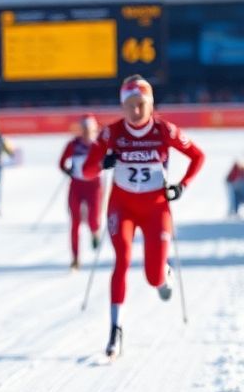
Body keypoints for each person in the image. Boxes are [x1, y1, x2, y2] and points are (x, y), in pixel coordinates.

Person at [82, 76, 205, 358]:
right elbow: (88, 171)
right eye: (130, 105)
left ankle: (164, 275)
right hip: (122, 206)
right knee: (122, 259)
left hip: (155, 207)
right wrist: (103, 163)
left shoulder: (164, 130)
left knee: (153, 276)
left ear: (150, 105)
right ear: (122, 106)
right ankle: (116, 329)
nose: (136, 112)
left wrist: (182, 185)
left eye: (141, 105)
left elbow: (198, 156)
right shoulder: (111, 133)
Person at [59, 116, 103, 269]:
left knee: (93, 219)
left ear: (94, 130)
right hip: (77, 186)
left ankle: (94, 232)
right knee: (75, 222)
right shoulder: (73, 144)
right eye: (84, 129)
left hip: (94, 186)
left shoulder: (98, 145)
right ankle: (75, 258)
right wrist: (67, 170)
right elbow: (62, 162)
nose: (86, 133)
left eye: (89, 130)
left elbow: (107, 159)